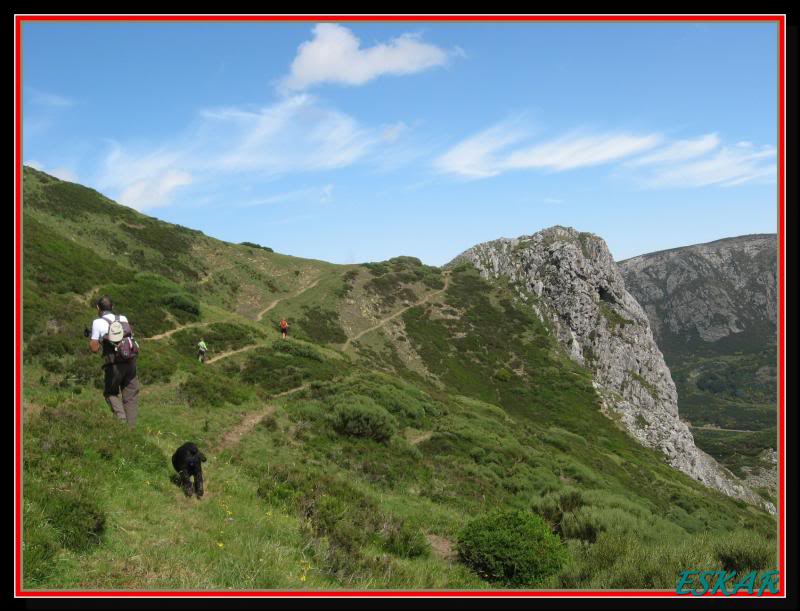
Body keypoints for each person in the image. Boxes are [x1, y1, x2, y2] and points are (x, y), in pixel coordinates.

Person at [88, 296, 140, 428]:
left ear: (98, 308)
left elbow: (94, 349)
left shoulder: (97, 322)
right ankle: (131, 430)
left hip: (114, 364)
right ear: (113, 307)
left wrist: (96, 339)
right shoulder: (123, 318)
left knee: (110, 393)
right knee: (131, 397)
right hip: (131, 361)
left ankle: (121, 420)